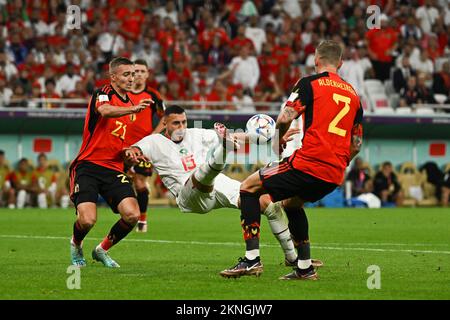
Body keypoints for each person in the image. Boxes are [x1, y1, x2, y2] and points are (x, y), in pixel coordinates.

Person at [220, 40, 363, 280]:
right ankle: (304, 268)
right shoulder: (354, 95)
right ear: (341, 63)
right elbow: (357, 144)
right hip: (334, 173)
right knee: (292, 204)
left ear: (316, 59)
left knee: (248, 188)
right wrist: (339, 161)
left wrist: (277, 139)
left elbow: (285, 116)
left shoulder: (310, 83)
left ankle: (251, 260)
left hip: (308, 163)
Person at [124, 105, 324, 268]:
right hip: (189, 195)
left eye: (184, 122)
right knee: (200, 174)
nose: (181, 127)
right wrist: (132, 152)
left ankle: (291, 257)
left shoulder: (197, 134)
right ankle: (223, 152)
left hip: (217, 183)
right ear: (165, 123)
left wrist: (272, 137)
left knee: (266, 203)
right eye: (176, 123)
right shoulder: (154, 141)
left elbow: (240, 137)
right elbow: (135, 149)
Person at [69, 57, 152, 268]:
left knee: (132, 215)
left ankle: (101, 250)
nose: (131, 78)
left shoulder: (131, 106)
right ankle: (76, 244)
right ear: (113, 76)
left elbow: (119, 144)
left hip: (113, 168)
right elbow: (105, 111)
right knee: (87, 220)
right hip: (88, 165)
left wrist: (129, 154)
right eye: (126, 74)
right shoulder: (103, 92)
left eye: (133, 74)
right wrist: (133, 110)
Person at [127, 59, 166, 233]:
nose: (139, 75)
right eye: (136, 71)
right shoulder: (122, 93)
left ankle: (142, 220)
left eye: (143, 71)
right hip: (122, 146)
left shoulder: (153, 95)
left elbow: (166, 119)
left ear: (147, 74)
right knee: (122, 182)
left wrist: (152, 138)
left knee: (141, 183)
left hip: (142, 148)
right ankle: (127, 213)